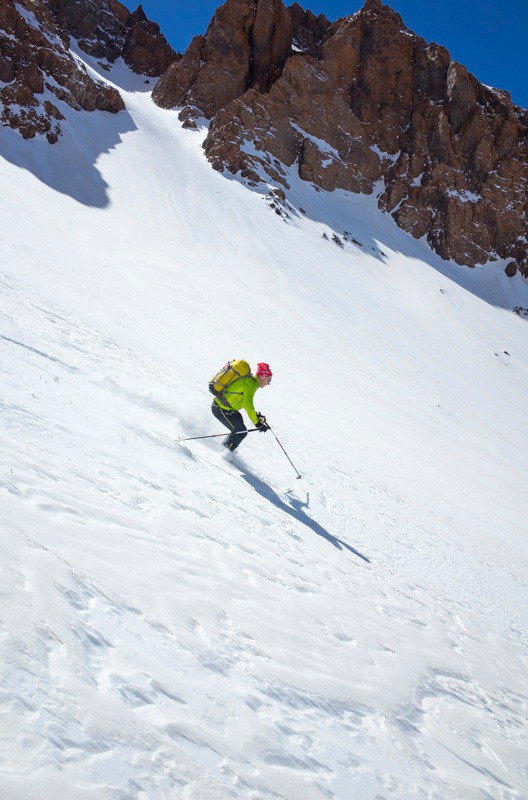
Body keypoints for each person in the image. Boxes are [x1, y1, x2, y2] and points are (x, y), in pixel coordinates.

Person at [211, 362, 272, 451]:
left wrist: (256, 417)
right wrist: (257, 423)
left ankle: (224, 448)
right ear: (263, 376)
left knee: (240, 429)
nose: (268, 383)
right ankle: (223, 452)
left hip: (226, 408)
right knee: (240, 432)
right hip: (220, 408)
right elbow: (248, 404)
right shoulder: (250, 383)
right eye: (268, 380)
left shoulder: (251, 382)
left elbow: (242, 401)